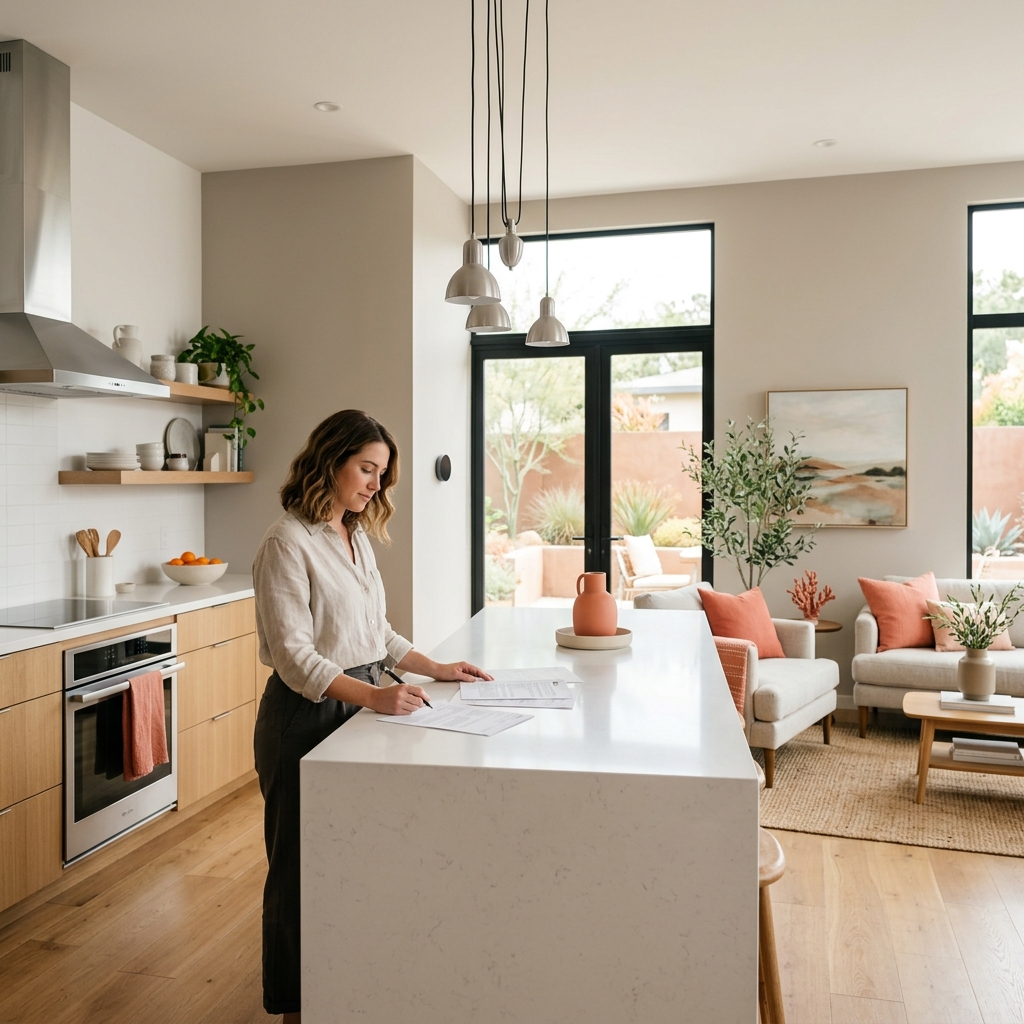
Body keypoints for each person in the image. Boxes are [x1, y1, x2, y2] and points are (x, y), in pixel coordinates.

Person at [252, 409, 490, 1022]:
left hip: (356, 705)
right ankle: (294, 1006)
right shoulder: (287, 542)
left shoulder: (354, 537)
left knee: (353, 857)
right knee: (298, 868)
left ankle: (349, 987)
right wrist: (379, 697)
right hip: (304, 718)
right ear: (329, 460)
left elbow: (376, 633)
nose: (375, 485)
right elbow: (293, 658)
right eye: (366, 469)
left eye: (382, 475)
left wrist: (434, 667)